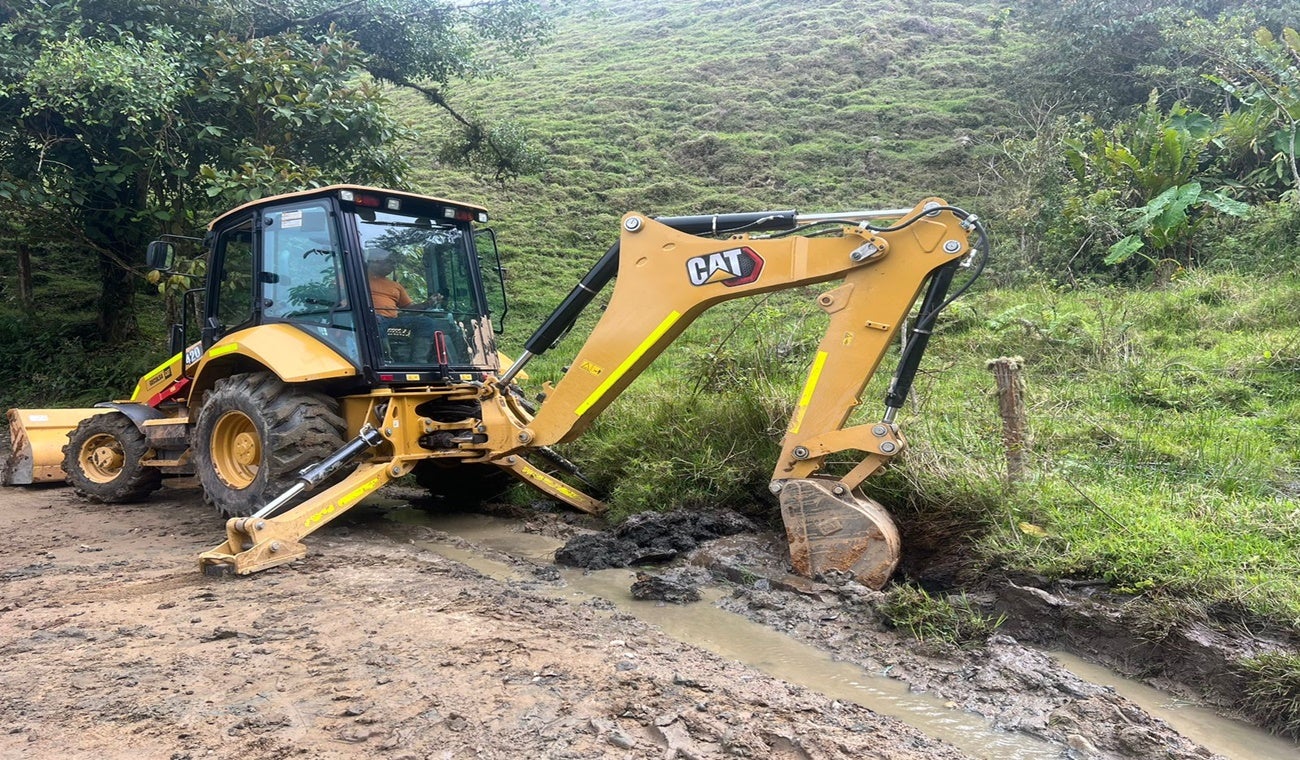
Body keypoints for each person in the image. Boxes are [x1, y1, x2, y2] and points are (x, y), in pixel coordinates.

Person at [366, 247, 442, 362]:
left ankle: (419, 361)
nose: (393, 266)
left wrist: (428, 303)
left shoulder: (395, 285)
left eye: (395, 263)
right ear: (375, 260)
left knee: (427, 322)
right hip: (369, 319)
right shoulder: (357, 279)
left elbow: (408, 308)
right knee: (376, 320)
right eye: (390, 261)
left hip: (392, 321)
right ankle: (383, 360)